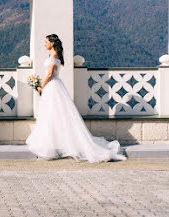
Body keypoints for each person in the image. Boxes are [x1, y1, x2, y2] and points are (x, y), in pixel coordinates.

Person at [26, 34, 126, 163]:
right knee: (51, 115)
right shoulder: (53, 55)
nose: (44, 44)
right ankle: (53, 145)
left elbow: (50, 73)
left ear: (52, 42)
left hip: (52, 86)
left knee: (51, 114)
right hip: (53, 87)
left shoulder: (54, 55)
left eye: (46, 42)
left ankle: (51, 147)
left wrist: (41, 86)